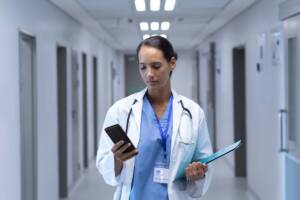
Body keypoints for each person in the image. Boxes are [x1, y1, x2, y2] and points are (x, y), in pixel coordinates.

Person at [96, 36, 213, 200]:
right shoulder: (120, 111)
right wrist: (117, 159)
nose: (149, 74)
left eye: (156, 66)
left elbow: (205, 161)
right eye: (143, 67)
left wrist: (198, 173)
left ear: (172, 63)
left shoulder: (193, 113)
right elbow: (104, 166)